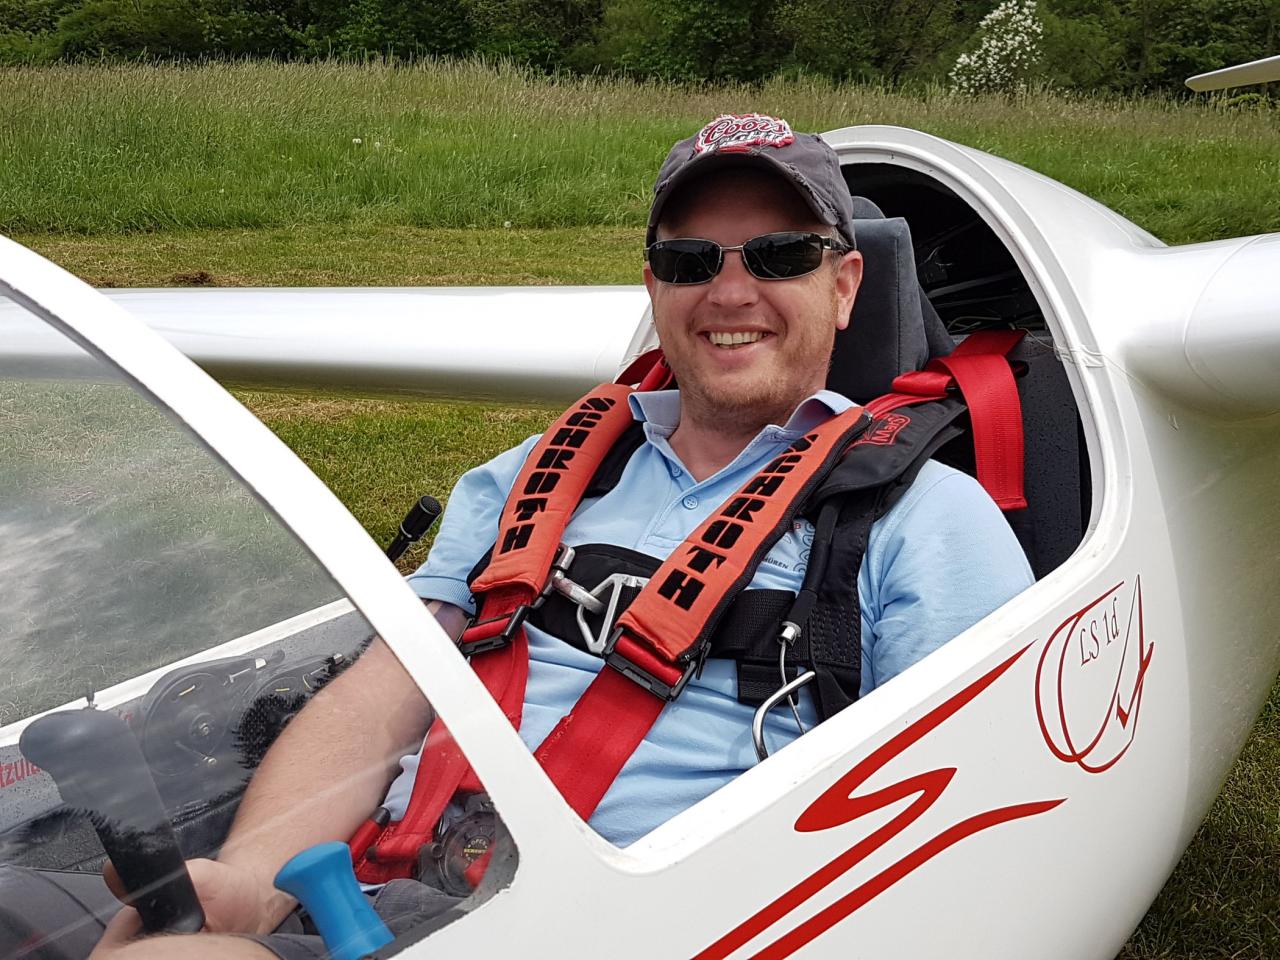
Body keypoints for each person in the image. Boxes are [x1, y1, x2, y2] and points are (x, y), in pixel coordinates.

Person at [88, 114, 1033, 959]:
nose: (729, 292)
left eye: (780, 255)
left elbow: (959, 834)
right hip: (389, 896)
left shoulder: (925, 520)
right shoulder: (530, 476)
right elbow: (382, 698)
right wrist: (253, 880)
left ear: (845, 284)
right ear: (655, 285)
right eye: (690, 261)